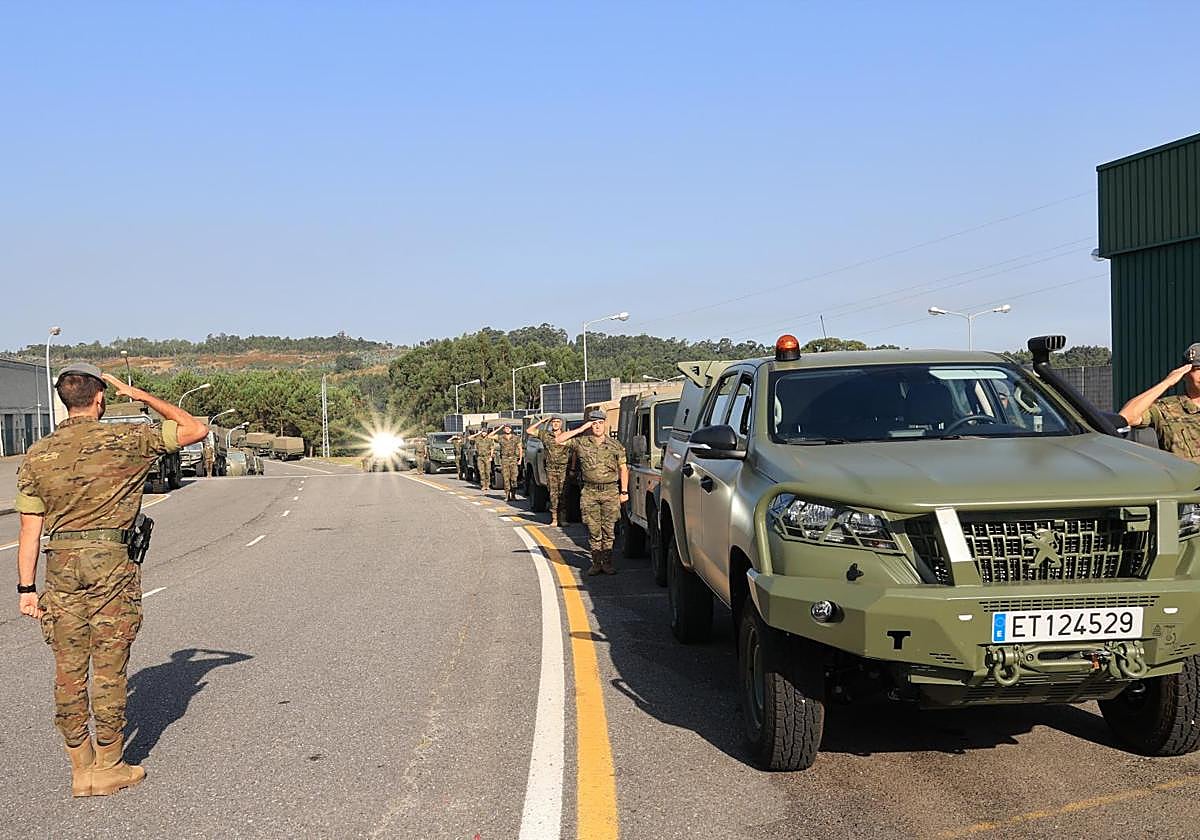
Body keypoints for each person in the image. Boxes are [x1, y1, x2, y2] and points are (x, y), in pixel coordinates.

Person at [15, 364, 208, 798]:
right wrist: (139, 394)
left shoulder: (38, 454)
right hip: (111, 570)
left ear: (65, 401)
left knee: (67, 671)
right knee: (107, 669)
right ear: (101, 398)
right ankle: (111, 764)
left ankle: (80, 770)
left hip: (60, 569)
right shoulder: (127, 440)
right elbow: (194, 429)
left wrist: (26, 590)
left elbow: (29, 530)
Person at [555, 409, 628, 576]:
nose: (597, 427)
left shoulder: (615, 445)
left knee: (609, 530)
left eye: (600, 423)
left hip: (610, 491)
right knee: (593, 529)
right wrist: (581, 429)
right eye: (594, 423)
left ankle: (607, 562)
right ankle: (596, 563)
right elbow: (559, 439)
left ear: (605, 424)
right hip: (590, 491)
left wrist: (624, 491)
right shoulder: (581, 442)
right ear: (590, 425)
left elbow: (623, 469)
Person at [1119, 343, 1200, 463]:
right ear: (1184, 373)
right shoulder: (1167, 409)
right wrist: (1167, 383)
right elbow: (1127, 416)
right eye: (1198, 369)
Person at [526, 415, 570, 526]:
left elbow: (573, 451)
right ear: (551, 424)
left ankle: (563, 518)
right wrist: (541, 421)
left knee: (563, 493)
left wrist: (573, 467)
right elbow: (529, 430)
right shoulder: (545, 435)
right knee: (553, 494)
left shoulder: (566, 435)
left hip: (564, 468)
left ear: (561, 424)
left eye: (557, 422)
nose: (555, 424)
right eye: (553, 422)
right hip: (551, 469)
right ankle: (554, 518)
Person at [494, 423, 522, 502]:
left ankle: (513, 495)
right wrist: (499, 428)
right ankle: (507, 495)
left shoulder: (516, 438)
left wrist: (520, 459)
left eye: (509, 428)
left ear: (511, 429)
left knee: (514, 478)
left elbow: (520, 448)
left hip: (513, 459)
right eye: (506, 428)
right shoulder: (501, 437)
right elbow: (490, 436)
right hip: (504, 459)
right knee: (506, 478)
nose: (507, 429)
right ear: (504, 429)